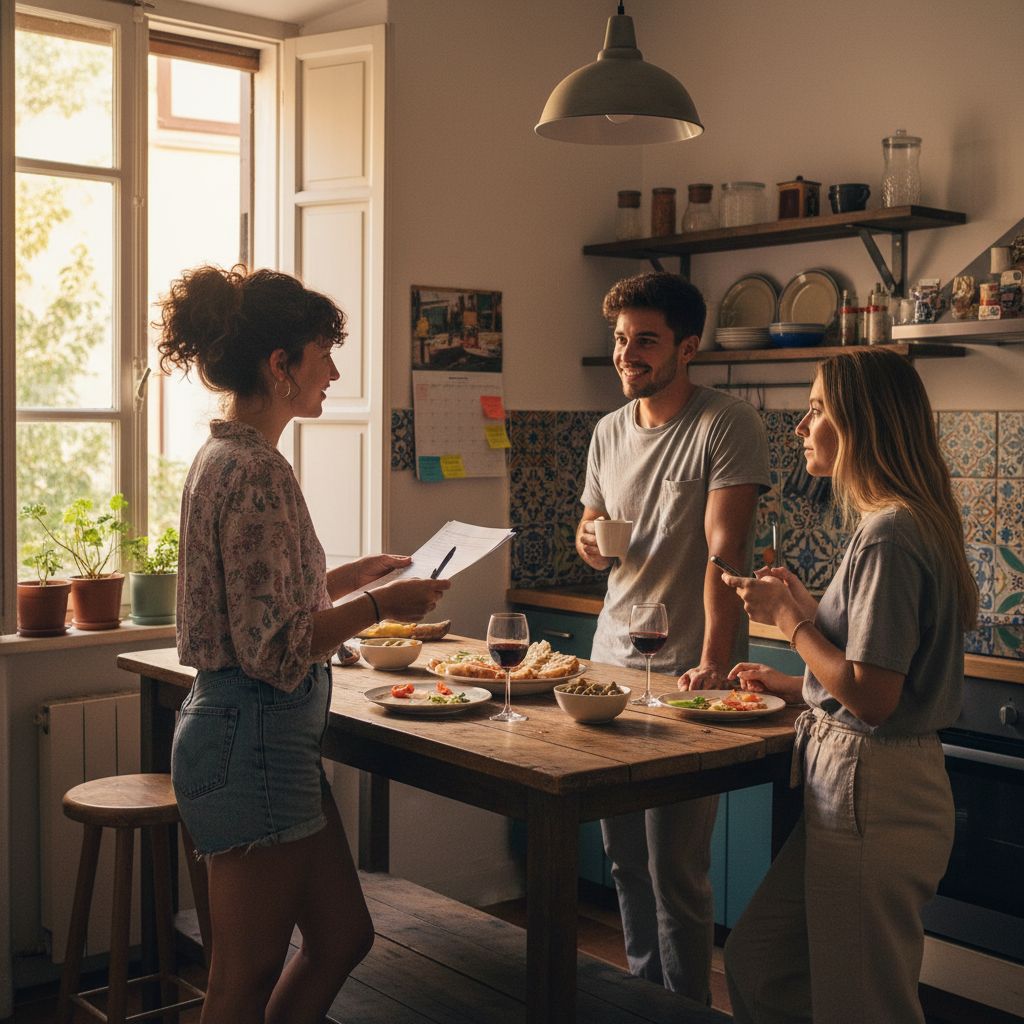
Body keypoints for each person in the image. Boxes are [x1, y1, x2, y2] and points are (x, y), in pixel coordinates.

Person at [156, 265, 450, 1024]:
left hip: (258, 740)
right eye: (324, 352)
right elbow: (274, 649)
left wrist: (351, 575)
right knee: (240, 982)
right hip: (251, 738)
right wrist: (384, 603)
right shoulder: (255, 470)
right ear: (280, 365)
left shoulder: (229, 456)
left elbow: (256, 597)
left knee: (342, 935)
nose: (336, 371)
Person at [720, 348, 977, 1024]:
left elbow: (874, 696)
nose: (801, 426)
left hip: (876, 788)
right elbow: (861, 678)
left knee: (863, 1007)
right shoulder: (894, 523)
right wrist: (793, 672)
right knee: (760, 963)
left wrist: (789, 622)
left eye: (817, 410)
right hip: (855, 778)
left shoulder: (890, 533)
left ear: (861, 423)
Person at [576, 271, 769, 1002]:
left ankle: (684, 1009)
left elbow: (727, 553)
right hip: (611, 668)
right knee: (623, 860)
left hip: (690, 671)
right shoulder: (606, 431)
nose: (628, 355)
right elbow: (589, 525)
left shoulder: (726, 424)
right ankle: (639, 999)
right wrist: (591, 544)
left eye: (646, 342)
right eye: (622, 340)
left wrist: (717, 660)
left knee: (676, 870)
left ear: (689, 347)